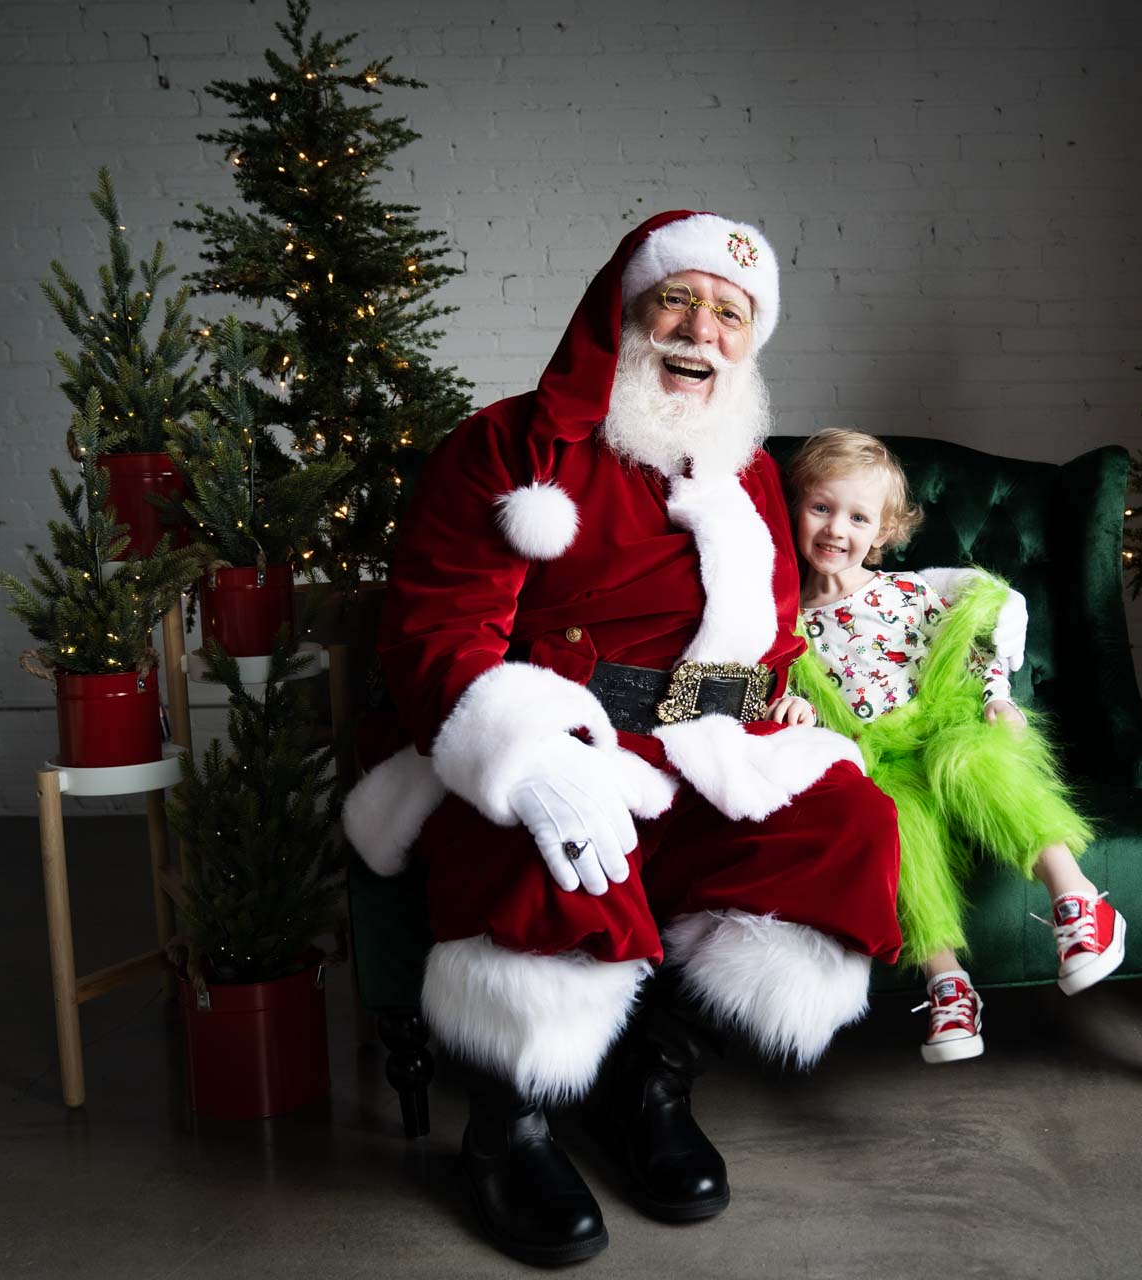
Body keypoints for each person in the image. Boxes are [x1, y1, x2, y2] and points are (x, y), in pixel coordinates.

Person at [341, 213, 909, 1267]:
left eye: (731, 314)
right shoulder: (507, 444)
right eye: (678, 301)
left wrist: (772, 700)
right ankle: (506, 1123)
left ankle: (647, 1079)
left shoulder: (744, 482)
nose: (701, 331)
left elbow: (768, 640)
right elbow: (435, 631)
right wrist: (531, 756)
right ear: (626, 311)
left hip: (695, 745)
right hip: (555, 733)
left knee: (848, 827)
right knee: (554, 835)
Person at [766, 429, 1129, 1065]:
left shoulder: (906, 595)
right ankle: (947, 983)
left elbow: (979, 646)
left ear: (881, 532)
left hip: (944, 721)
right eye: (820, 508)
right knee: (891, 821)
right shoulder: (784, 623)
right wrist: (789, 709)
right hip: (876, 755)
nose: (835, 529)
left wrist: (998, 695)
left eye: (857, 517)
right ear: (794, 508)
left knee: (969, 759)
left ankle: (1079, 904)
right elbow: (775, 690)